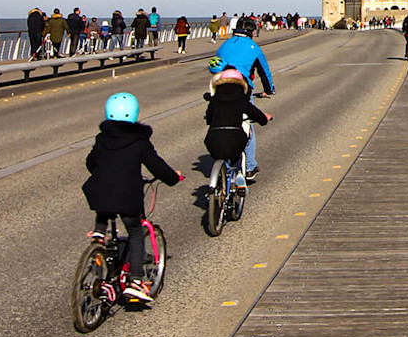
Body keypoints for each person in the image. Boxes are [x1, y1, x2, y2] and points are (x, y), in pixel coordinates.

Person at [81, 92, 182, 304]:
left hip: (99, 192)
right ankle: (135, 281)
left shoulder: (102, 138)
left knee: (105, 203)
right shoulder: (140, 141)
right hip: (127, 196)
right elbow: (156, 166)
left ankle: (99, 234)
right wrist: (173, 178)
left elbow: (91, 163)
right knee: (136, 231)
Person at [203, 61, 270, 184]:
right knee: (241, 147)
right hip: (235, 138)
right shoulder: (241, 99)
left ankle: (219, 183)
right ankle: (242, 175)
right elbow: (256, 115)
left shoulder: (214, 99)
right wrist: (264, 119)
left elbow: (208, 117)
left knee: (219, 152)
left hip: (212, 139)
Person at [214, 19, 276, 96]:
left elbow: (215, 65)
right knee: (246, 106)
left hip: (221, 86)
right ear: (252, 32)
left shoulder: (224, 45)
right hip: (242, 87)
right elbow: (264, 72)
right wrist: (268, 89)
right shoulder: (254, 48)